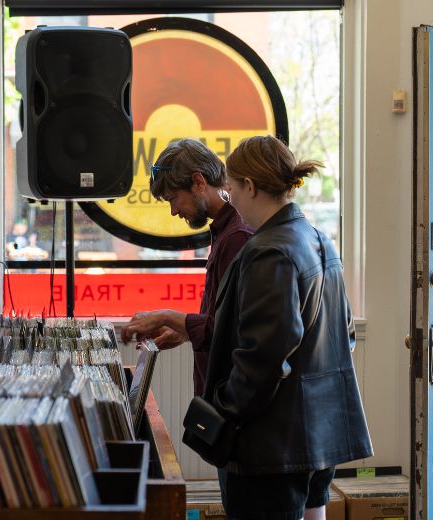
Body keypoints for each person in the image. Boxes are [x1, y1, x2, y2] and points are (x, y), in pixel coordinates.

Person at [202, 135, 372, 520]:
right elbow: (345, 334)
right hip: (318, 435)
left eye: (231, 187)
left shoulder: (269, 251)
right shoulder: (318, 240)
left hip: (272, 447)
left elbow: (262, 357)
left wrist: (223, 413)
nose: (230, 197)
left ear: (250, 186)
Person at [120, 138, 254, 397]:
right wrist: (183, 332)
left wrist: (168, 316)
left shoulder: (237, 237)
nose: (173, 211)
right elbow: (220, 320)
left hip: (229, 398)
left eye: (174, 198)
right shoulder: (225, 232)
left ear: (198, 182)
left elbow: (236, 332)